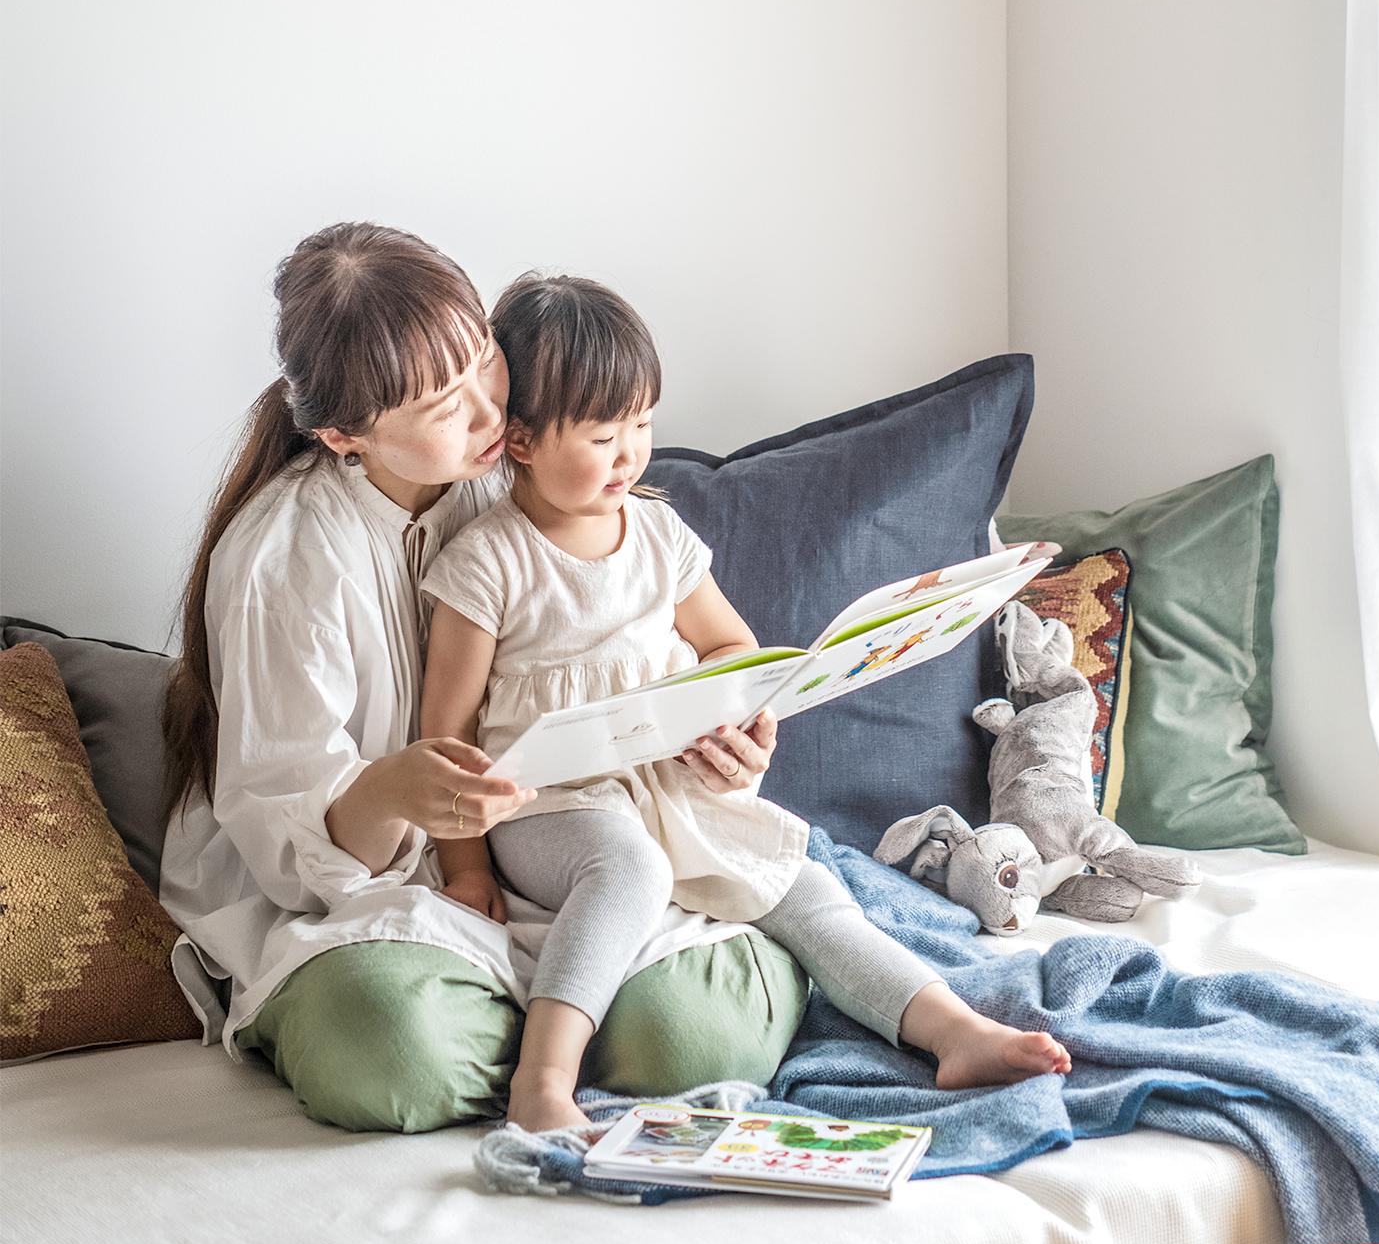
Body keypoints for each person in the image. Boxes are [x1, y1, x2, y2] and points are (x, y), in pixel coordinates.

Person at [158, 224, 808, 1134]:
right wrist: (394, 789)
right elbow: (279, 829)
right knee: (389, 1044)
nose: (489, 415)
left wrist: (726, 731)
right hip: (369, 894)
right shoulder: (284, 559)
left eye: (482, 367)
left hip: (571, 840)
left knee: (696, 1042)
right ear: (345, 434)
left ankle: (554, 1021)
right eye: (441, 407)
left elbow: (672, 642)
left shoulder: (521, 482)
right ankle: (541, 1032)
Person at [418, 274, 1073, 1132]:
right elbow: (446, 733)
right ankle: (542, 1086)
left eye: (645, 424)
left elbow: (732, 646)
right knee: (630, 867)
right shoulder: (488, 561)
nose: (631, 455)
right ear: (520, 440)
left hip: (667, 783)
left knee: (798, 882)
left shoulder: (657, 533)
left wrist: (732, 714)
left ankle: (952, 1030)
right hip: (550, 803)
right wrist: (466, 868)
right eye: (605, 434)